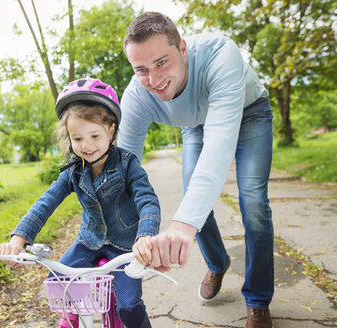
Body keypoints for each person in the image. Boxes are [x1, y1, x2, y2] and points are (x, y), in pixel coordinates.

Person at [117, 12, 274, 328]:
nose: (154, 79)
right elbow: (122, 171)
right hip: (195, 125)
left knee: (253, 203)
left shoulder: (220, 53)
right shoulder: (136, 95)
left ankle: (257, 300)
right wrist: (125, 233)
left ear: (183, 48)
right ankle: (218, 263)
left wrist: (182, 226)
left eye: (162, 62)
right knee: (194, 195)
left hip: (248, 113)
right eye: (142, 69)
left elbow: (219, 145)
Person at [0, 78, 160, 328]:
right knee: (59, 284)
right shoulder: (73, 171)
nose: (87, 145)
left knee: (129, 305)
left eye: (95, 135)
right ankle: (70, 318)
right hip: (89, 242)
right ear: (69, 138)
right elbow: (46, 202)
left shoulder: (127, 163)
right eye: (77, 138)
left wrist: (145, 236)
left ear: (111, 131)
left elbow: (147, 200)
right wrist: (18, 239)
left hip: (126, 245)